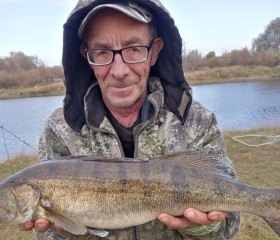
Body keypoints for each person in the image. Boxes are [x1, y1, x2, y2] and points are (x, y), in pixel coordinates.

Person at [20, 0, 240, 239]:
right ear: (87, 56)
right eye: (102, 52)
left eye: (134, 48)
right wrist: (67, 231)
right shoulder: (59, 130)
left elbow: (227, 226)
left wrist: (203, 227)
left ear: (154, 51)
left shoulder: (197, 121)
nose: (119, 70)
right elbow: (47, 234)